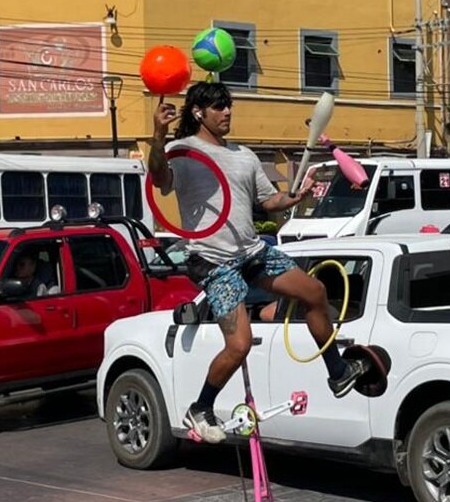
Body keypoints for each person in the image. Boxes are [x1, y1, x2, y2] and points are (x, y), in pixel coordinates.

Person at [148, 81, 367, 443]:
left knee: (314, 290)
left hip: (251, 252)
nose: (227, 112)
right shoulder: (182, 151)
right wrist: (158, 134)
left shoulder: (245, 155)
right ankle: (201, 407)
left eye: (229, 105)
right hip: (213, 260)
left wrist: (295, 198)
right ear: (200, 112)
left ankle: (337, 370)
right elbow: (159, 178)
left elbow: (268, 202)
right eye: (219, 107)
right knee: (239, 344)